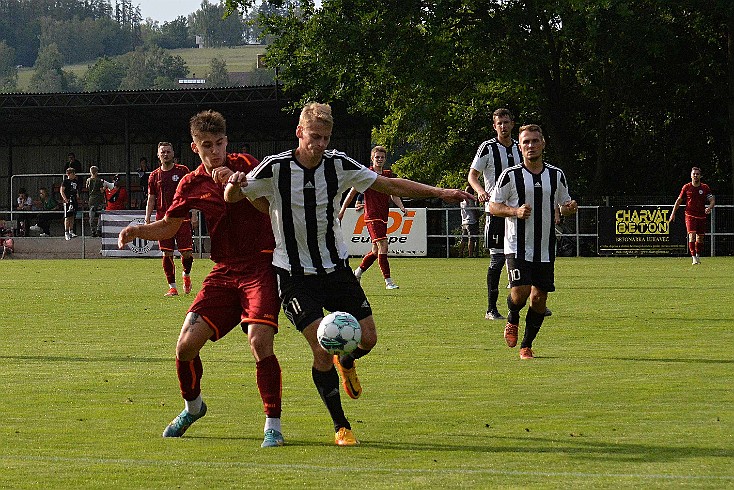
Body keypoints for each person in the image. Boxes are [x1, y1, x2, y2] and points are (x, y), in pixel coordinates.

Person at [224, 102, 473, 446]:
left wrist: (440, 192)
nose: (320, 144)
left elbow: (388, 185)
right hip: (294, 276)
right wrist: (235, 183)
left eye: (325, 138)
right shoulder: (276, 167)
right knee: (321, 348)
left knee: (368, 338)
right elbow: (234, 195)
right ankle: (341, 426)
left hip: (336, 269)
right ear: (300, 133)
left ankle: (348, 360)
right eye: (314, 137)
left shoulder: (338, 165)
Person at [118, 110, 284, 448]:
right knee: (185, 347)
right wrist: (139, 229)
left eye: (219, 144)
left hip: (260, 265)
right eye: (207, 145)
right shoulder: (191, 183)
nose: (215, 152)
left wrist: (241, 183)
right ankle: (193, 408)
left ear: (227, 142)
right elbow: (169, 224)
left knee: (259, 342)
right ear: (195, 148)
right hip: (223, 271)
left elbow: (271, 204)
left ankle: (273, 424)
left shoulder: (246, 163)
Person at [489, 124, 578, 360]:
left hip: (545, 247)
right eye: (526, 142)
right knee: (521, 292)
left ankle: (526, 346)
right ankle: (512, 317)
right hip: (517, 244)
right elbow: (493, 206)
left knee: (539, 298)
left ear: (543, 144)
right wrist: (514, 211)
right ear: (520, 146)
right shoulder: (510, 175)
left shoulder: (556, 175)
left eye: (535, 141)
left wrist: (570, 209)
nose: (530, 146)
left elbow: (564, 205)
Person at [468, 108, 551, 320]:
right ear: (494, 126)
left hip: (521, 213)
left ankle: (536, 298)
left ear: (512, 124)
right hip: (498, 212)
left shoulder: (520, 147)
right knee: (497, 260)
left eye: (506, 122)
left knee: (531, 255)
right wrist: (481, 192)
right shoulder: (487, 148)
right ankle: (491, 308)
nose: (503, 126)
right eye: (499, 123)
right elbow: (472, 176)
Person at [338, 145, 407, 290]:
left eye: (382, 157)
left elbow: (393, 192)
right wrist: (343, 209)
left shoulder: (388, 175)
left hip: (383, 215)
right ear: (372, 158)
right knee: (384, 245)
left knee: (376, 251)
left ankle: (357, 273)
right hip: (371, 216)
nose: (380, 160)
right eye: (377, 157)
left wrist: (401, 207)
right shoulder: (367, 174)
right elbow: (352, 192)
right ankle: (388, 281)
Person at [147, 142, 194, 296]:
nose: (165, 154)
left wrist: (193, 213)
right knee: (166, 253)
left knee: (186, 253)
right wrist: (147, 218)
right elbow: (151, 198)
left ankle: (186, 275)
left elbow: (190, 194)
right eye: (163, 152)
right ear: (158, 155)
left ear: (173, 154)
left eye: (168, 151)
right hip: (163, 220)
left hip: (181, 218)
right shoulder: (154, 175)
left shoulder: (182, 171)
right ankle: (172, 287)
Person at [668, 167, 715, 265]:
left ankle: (697, 255)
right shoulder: (686, 187)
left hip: (701, 216)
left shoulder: (705, 188)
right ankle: (693, 257)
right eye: (694, 174)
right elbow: (679, 201)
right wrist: (673, 213)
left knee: (700, 238)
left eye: (697, 174)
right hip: (690, 215)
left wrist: (709, 207)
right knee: (692, 236)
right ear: (691, 175)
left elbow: (712, 200)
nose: (695, 175)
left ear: (700, 176)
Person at [86, 166, 109, 237]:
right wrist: (105, 188)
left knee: (91, 216)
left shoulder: (88, 180)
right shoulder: (99, 180)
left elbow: (87, 188)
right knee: (100, 214)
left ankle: (93, 231)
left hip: (91, 199)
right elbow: (101, 190)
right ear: (96, 172)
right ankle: (99, 229)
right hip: (98, 199)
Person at [60, 167, 81, 240]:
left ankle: (71, 231)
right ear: (68, 174)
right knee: (67, 217)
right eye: (73, 174)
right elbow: (62, 191)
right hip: (68, 200)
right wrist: (65, 199)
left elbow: (76, 190)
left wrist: (77, 196)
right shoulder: (65, 182)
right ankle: (66, 232)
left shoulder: (75, 181)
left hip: (74, 200)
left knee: (72, 216)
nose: (74, 175)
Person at [459, 185, 480, 258]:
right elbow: (473, 210)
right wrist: (477, 216)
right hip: (471, 221)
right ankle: (470, 254)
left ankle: (460, 253)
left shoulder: (462, 201)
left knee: (464, 238)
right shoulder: (470, 200)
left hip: (464, 221)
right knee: (471, 238)